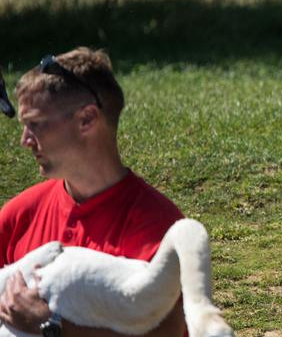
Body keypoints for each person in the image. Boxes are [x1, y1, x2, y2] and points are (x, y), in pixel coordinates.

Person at [0, 48, 186, 336]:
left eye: (35, 124)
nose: (25, 140)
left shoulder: (157, 229)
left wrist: (52, 326)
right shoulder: (19, 215)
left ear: (87, 119)